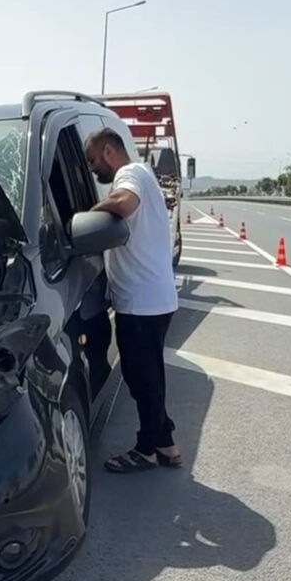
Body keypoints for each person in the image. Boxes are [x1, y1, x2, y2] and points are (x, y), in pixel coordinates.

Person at [84, 127, 184, 472]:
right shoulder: (140, 173)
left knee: (143, 379)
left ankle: (148, 451)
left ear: (110, 151)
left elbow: (124, 204)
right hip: (149, 297)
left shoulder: (130, 174)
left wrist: (86, 216)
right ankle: (167, 445)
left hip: (142, 302)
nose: (93, 168)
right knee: (148, 376)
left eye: (94, 160)